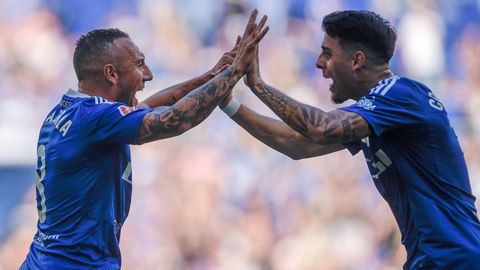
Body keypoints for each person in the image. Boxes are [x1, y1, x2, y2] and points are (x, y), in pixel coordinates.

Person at [220, 10, 480, 269]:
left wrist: (258, 85)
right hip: (435, 259)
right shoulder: (377, 115)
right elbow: (298, 144)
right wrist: (229, 104)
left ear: (357, 60)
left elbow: (320, 128)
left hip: (456, 259)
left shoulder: (402, 94)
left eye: (328, 53)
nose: (319, 62)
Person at [21, 10, 269, 269]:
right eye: (139, 65)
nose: (148, 75)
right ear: (112, 74)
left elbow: (150, 106)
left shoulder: (72, 112)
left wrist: (210, 75)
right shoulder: (94, 118)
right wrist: (234, 73)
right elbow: (175, 120)